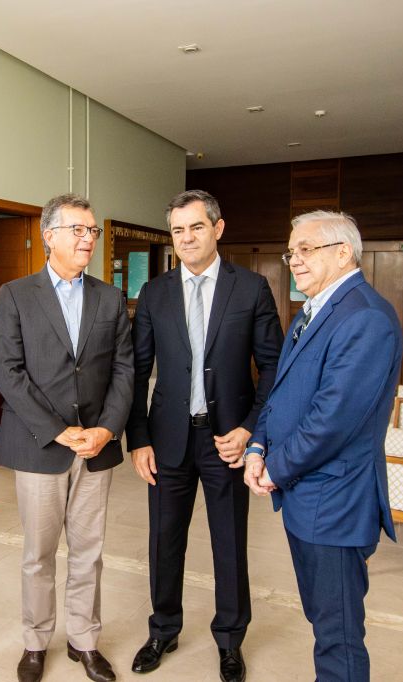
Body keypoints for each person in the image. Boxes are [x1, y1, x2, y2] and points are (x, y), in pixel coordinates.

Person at [125, 189, 282, 682]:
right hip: (167, 440)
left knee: (229, 544)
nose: (187, 237)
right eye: (178, 230)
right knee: (163, 541)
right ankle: (163, 629)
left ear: (218, 228)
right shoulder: (154, 293)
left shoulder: (250, 288)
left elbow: (274, 367)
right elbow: (137, 371)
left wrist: (250, 429)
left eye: (196, 227)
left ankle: (230, 641)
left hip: (227, 441)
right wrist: (139, 438)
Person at [243, 210, 402, 682]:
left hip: (336, 503)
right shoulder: (312, 311)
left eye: (306, 249)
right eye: (291, 252)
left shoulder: (366, 317)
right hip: (306, 499)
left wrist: (274, 469)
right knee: (322, 617)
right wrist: (257, 446)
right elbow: (279, 393)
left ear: (344, 252)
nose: (294, 259)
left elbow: (332, 421)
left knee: (338, 634)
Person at [0, 193, 133, 682]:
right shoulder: (16, 294)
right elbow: (7, 371)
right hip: (41, 446)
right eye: (78, 229)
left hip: (96, 446)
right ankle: (35, 641)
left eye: (92, 230)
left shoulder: (109, 297)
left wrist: (106, 429)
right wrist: (58, 430)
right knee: (39, 555)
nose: (88, 238)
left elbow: (124, 369)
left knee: (89, 552)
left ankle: (84, 640)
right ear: (49, 236)